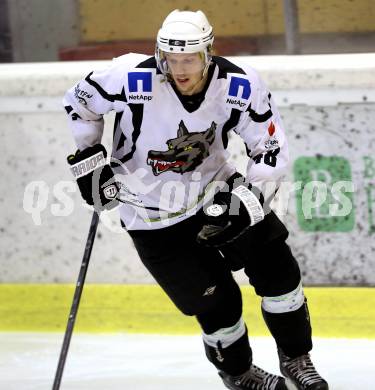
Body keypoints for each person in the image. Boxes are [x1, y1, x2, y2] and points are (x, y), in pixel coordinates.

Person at [64, 9, 329, 390]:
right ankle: (240, 375)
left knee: (278, 270)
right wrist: (89, 158)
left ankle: (296, 358)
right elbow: (79, 100)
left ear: (207, 53)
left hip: (215, 191)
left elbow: (268, 146)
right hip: (151, 215)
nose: (180, 69)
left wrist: (248, 204)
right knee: (217, 305)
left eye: (189, 59)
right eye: (172, 60)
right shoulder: (130, 76)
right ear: (160, 56)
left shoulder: (238, 84)